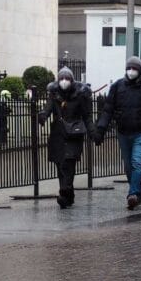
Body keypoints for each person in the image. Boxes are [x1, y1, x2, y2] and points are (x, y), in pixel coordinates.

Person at [93, 56, 141, 210]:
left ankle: (133, 193)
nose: (131, 71)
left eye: (134, 68)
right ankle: (138, 192)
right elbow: (107, 110)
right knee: (128, 166)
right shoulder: (117, 87)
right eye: (129, 68)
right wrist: (100, 129)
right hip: (123, 132)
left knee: (137, 162)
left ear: (140, 70)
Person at [38, 66, 95, 208]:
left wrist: (93, 132)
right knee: (60, 163)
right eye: (61, 78)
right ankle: (68, 194)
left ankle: (64, 191)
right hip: (58, 134)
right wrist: (43, 116)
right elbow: (48, 108)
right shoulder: (54, 94)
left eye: (67, 78)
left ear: (72, 80)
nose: (64, 81)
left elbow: (87, 116)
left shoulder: (80, 95)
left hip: (74, 133)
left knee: (69, 163)